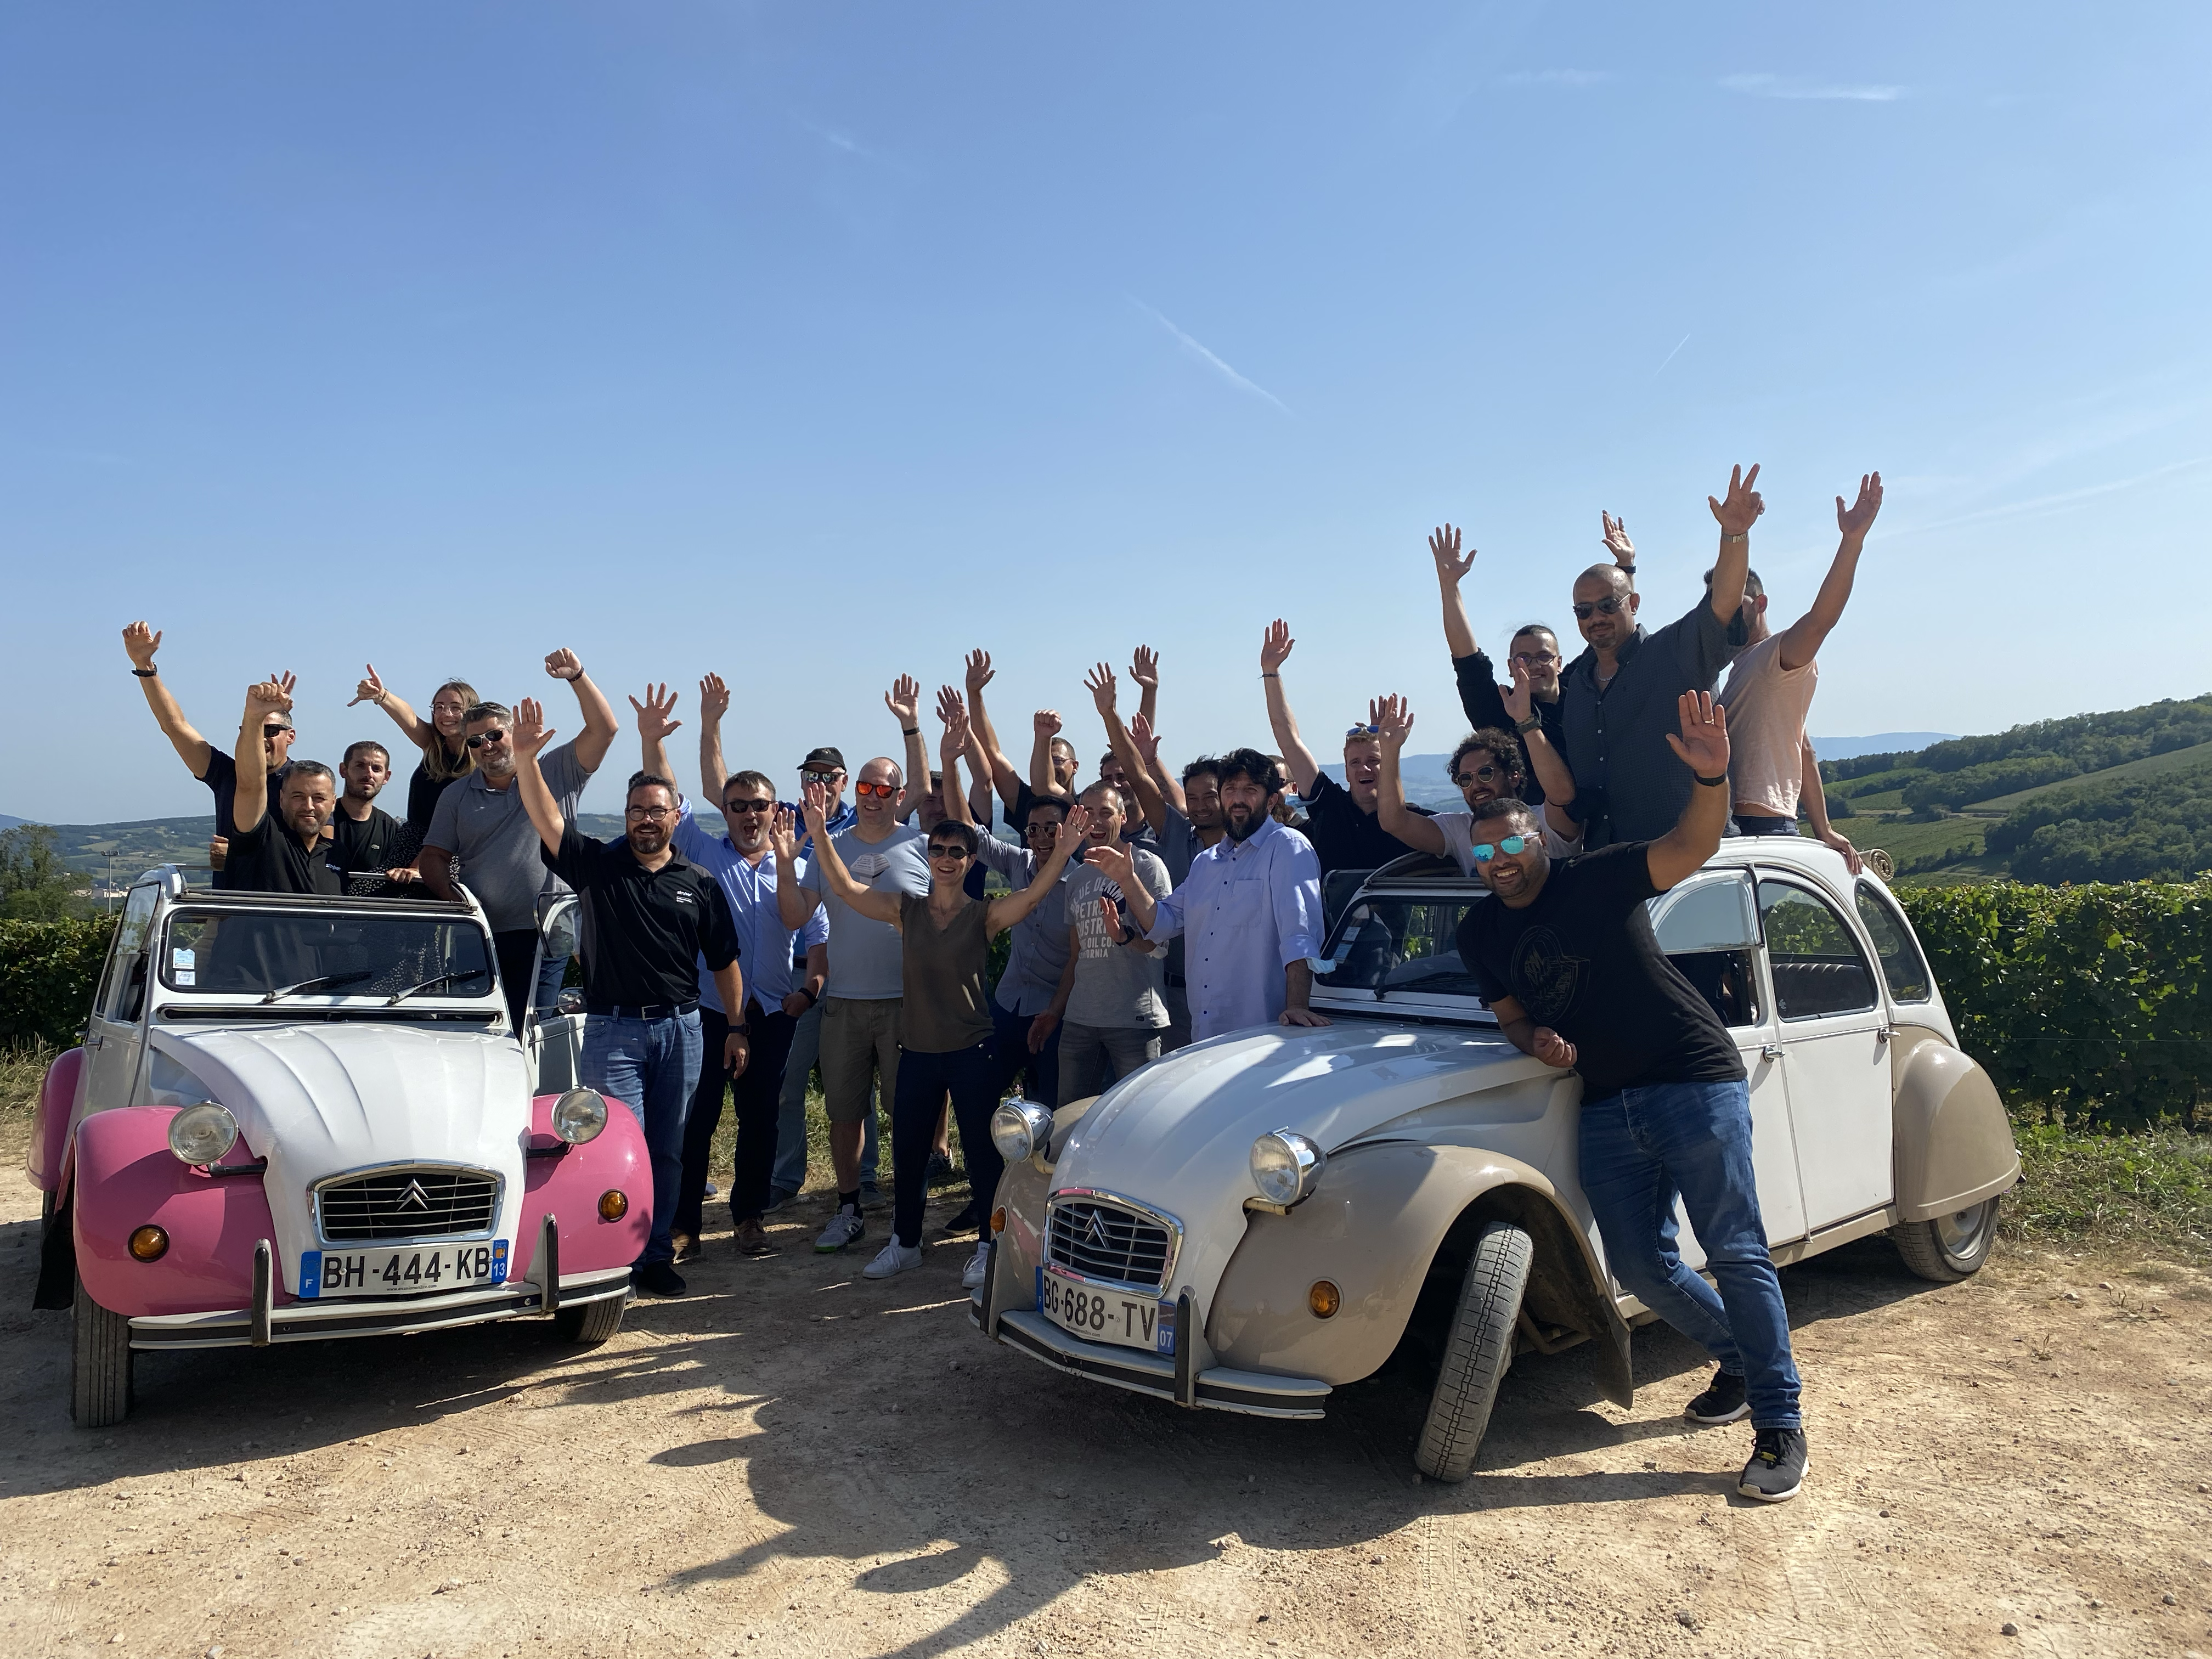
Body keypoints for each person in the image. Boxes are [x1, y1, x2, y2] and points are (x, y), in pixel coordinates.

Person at [1453, 691, 1808, 1503]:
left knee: (1735, 1250)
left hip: (1692, 1077)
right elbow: (1512, 1017)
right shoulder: (1480, 934)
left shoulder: (1599, 876)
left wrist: (1712, 779)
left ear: (1536, 835)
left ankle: (1780, 1424)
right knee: (1640, 1263)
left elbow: (1693, 844)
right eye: (1484, 852)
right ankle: (1742, 1362)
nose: (1500, 858)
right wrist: (1535, 1041)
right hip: (1606, 1098)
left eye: (1512, 840)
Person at [799, 720, 1086, 1287]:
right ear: (929, 855)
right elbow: (850, 891)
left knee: (981, 1155)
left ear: (970, 859)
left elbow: (1031, 896)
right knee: (908, 1151)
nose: (949, 857)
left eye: (959, 851)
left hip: (972, 1049)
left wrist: (1067, 850)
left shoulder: (984, 915)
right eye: (940, 850)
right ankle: (905, 1242)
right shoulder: (905, 909)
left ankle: (987, 1245)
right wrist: (821, 836)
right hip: (919, 1051)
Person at [510, 696, 744, 1299]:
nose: (646, 819)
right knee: (619, 1149)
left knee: (668, 1150)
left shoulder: (699, 885)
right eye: (637, 809)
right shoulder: (597, 866)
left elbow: (725, 963)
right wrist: (526, 758)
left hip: (682, 1031)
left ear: (673, 818)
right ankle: (614, 1257)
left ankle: (655, 1254)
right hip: (613, 1033)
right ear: (627, 813)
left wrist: (738, 1027)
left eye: (657, 810)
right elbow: (544, 817)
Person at [637, 683, 830, 1261]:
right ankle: (684, 1226)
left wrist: (806, 995)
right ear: (726, 811)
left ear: (777, 811)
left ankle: (748, 1217)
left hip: (772, 1014)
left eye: (760, 806)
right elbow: (666, 793)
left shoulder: (797, 867)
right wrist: (682, 731)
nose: (749, 814)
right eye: (739, 805)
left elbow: (815, 937)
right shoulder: (703, 853)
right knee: (695, 1123)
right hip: (707, 1011)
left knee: (760, 1122)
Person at [776, 685, 933, 1256]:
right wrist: (786, 863)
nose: (869, 796)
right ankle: (848, 1209)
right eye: (862, 787)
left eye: (880, 788)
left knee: (906, 1116)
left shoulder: (919, 845)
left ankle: (906, 1216)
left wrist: (912, 726)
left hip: (904, 1005)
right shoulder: (828, 845)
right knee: (844, 1113)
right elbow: (795, 915)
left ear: (899, 795)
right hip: (843, 1002)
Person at [1557, 465, 1758, 846]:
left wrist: (1734, 534)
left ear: (1633, 603)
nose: (1595, 618)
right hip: (1611, 865)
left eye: (1607, 606)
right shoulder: (1577, 684)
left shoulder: (1674, 654)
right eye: (1583, 611)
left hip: (1693, 866)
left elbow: (1721, 606)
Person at [420, 650, 619, 1031]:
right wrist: (453, 899)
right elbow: (434, 855)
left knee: (534, 1033)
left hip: (548, 934)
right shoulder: (456, 796)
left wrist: (577, 677)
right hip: (479, 932)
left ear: (512, 732)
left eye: (495, 735)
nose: (487, 746)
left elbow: (605, 729)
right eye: (476, 741)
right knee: (481, 1030)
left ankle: (532, 1094)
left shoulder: (557, 770)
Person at [1088, 748, 1327, 1041]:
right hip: (1205, 1033)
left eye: (1250, 790)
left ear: (1272, 799)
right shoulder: (1206, 862)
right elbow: (1163, 922)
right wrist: (1127, 879)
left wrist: (1297, 1007)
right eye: (1231, 789)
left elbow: (1300, 935)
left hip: (1264, 1033)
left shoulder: (1287, 846)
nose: (1238, 799)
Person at [1714, 472, 1881, 870]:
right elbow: (1802, 747)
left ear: (1761, 603)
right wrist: (1822, 829)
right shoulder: (1739, 666)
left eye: (1736, 601)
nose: (1724, 611)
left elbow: (1823, 618)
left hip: (1762, 822)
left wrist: (1852, 541)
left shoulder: (1781, 654)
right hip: (1742, 820)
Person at [762, 738, 861, 1211]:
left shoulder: (865, 824)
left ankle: (865, 1179)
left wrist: (912, 730)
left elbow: (919, 790)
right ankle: (785, 1176)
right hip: (795, 974)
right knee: (788, 1084)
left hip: (852, 973)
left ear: (845, 782)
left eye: (829, 776)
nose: (819, 785)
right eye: (811, 776)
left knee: (856, 1085)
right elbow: (720, 790)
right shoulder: (780, 818)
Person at [1258, 619, 1431, 882]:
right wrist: (1271, 672)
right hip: (1332, 924)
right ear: (1347, 771)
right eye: (1356, 763)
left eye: (1374, 761)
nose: (1364, 768)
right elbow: (1288, 738)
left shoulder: (1411, 821)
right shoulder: (1330, 806)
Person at [122, 623, 297, 882]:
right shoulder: (226, 774)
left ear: (290, 736)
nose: (260, 738)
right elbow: (175, 727)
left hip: (288, 912)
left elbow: (316, 854)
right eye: (252, 729)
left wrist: (238, 854)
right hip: (229, 911)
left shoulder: (308, 782)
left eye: (271, 730)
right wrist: (145, 667)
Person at [1429, 524, 1588, 804]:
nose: (1534, 666)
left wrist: (1626, 568)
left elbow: (1612, 638)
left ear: (1559, 662)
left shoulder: (1586, 690)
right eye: (1523, 659)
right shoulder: (1499, 711)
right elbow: (1467, 661)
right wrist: (1449, 586)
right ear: (1511, 666)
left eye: (1543, 657)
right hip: (1532, 834)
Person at [1371, 686, 1584, 872]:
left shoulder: (1544, 821)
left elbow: (1562, 795)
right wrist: (1390, 749)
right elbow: (1394, 822)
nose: (1476, 785)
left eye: (1485, 773)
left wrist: (1526, 722)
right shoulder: (1461, 829)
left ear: (1513, 777)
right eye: (1465, 779)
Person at [1050, 781, 1173, 1097]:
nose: (1097, 821)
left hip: (1134, 1020)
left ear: (1122, 817)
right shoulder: (1076, 878)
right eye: (1088, 812)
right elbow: (1076, 956)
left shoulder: (1147, 867)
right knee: (1069, 1118)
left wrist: (1124, 936)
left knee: (1137, 1118)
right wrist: (1055, 1011)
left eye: (1106, 812)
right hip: (1080, 1018)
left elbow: (1160, 946)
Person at [221, 681, 345, 895]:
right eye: (298, 796)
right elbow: (250, 783)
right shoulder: (263, 842)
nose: (309, 806)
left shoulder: (337, 854)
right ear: (281, 799)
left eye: (318, 798)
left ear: (333, 803)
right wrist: (253, 718)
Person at [351, 667, 479, 840]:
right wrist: (381, 695)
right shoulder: (432, 745)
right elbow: (410, 718)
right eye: (439, 707)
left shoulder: (483, 754)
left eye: (456, 707)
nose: (446, 714)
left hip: (454, 847)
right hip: (412, 843)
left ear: (472, 712)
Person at [329, 741, 413, 887]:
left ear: (386, 777)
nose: (369, 774)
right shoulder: (321, 817)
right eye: (360, 766)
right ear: (343, 770)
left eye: (377, 769)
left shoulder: (392, 831)